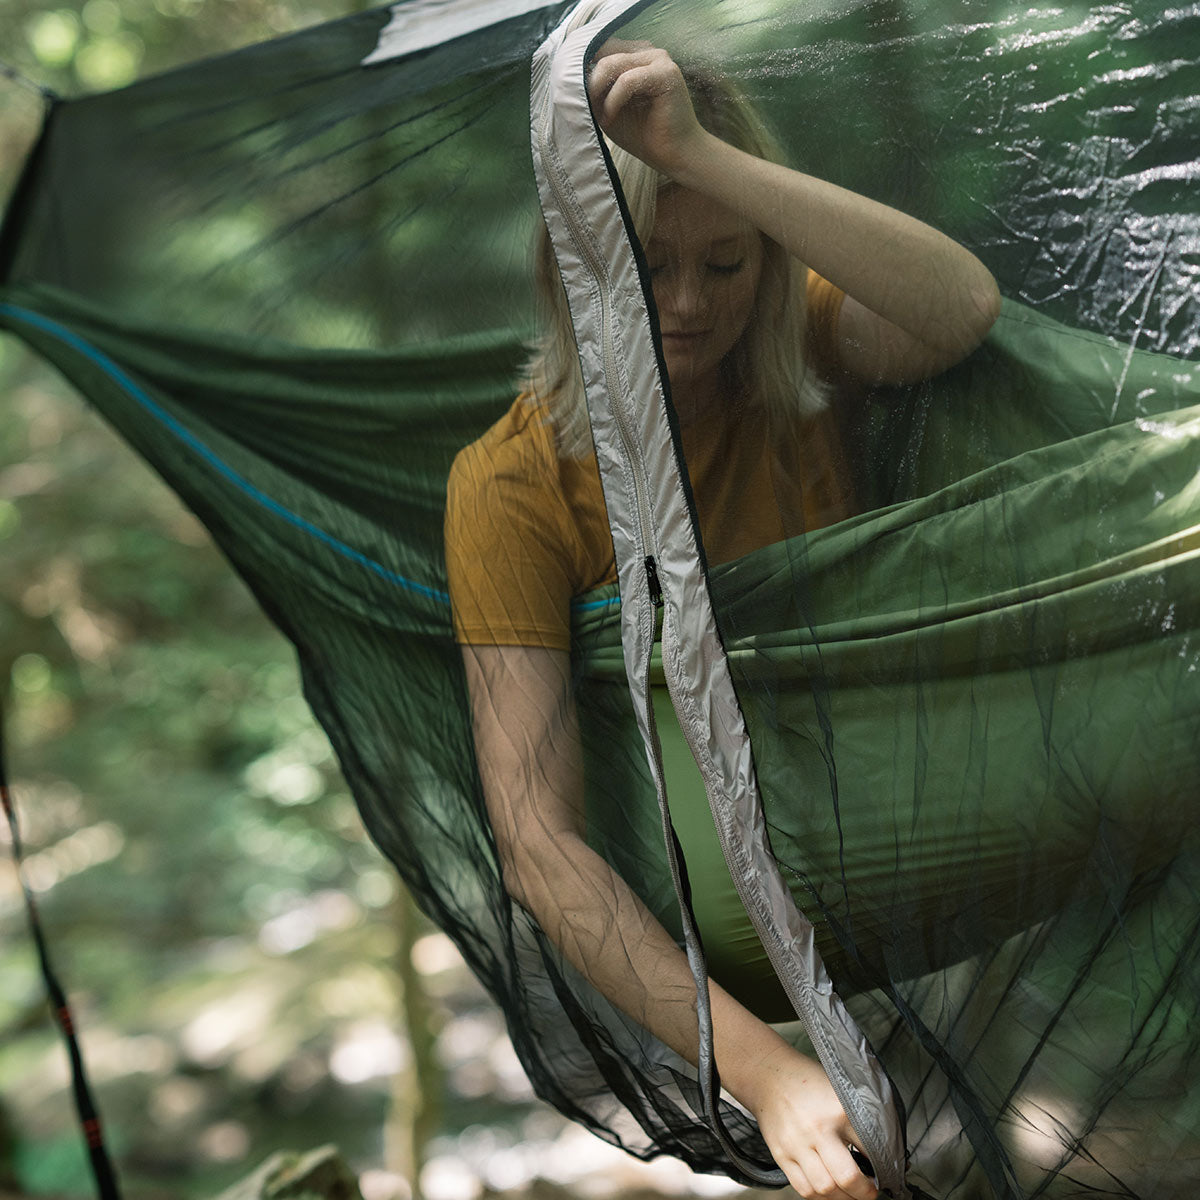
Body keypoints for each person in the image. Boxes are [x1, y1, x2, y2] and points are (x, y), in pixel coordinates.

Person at [445, 42, 1001, 1200]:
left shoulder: (797, 345)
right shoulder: (514, 486)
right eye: (646, 264)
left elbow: (959, 310)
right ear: (569, 265)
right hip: (713, 920)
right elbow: (536, 843)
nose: (690, 304)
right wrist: (768, 1073)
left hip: (904, 837)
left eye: (726, 262)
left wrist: (695, 154)